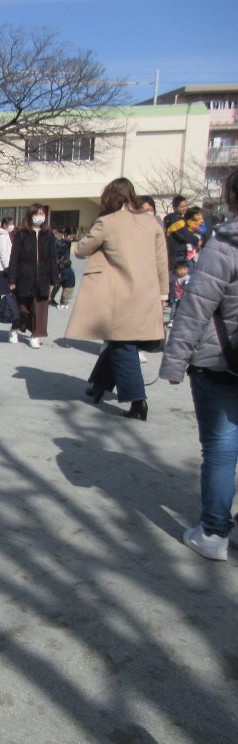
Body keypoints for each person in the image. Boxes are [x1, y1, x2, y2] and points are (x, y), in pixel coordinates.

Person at [160, 169, 238, 561]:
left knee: (222, 449)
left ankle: (214, 531)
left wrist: (174, 363)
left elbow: (196, 308)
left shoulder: (223, 246)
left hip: (222, 361)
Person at [67, 178, 168, 420]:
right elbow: (162, 260)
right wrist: (164, 293)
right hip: (147, 294)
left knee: (124, 346)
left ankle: (137, 401)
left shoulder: (108, 222)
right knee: (118, 342)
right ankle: (99, 385)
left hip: (119, 295)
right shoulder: (152, 222)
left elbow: (80, 250)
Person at [7, 203, 59, 348]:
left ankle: (35, 335)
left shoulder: (48, 235)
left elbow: (52, 258)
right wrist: (12, 279)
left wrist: (55, 278)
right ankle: (15, 328)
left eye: (42, 214)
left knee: (40, 308)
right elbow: (14, 258)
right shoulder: (21, 234)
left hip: (42, 278)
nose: (40, 217)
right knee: (23, 309)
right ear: (30, 216)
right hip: (24, 277)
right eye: (37, 214)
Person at [164, 195, 198, 266]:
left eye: (186, 206)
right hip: (178, 254)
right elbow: (186, 236)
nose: (185, 208)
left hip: (180, 252)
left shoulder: (179, 218)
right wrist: (198, 241)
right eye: (182, 207)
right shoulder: (175, 220)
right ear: (174, 208)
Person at [49, 229, 76, 310]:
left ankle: (57, 299)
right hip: (60, 264)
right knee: (56, 282)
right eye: (70, 237)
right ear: (65, 234)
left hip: (65, 264)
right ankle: (50, 298)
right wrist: (58, 264)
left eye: (73, 237)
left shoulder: (67, 242)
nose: (72, 239)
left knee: (62, 281)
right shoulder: (59, 242)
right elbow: (56, 254)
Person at [167, 259, 190, 326]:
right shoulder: (172, 276)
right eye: (180, 269)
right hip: (174, 296)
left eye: (185, 269)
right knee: (173, 309)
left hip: (184, 297)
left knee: (181, 309)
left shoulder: (188, 278)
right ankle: (171, 320)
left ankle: (180, 321)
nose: (182, 271)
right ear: (176, 270)